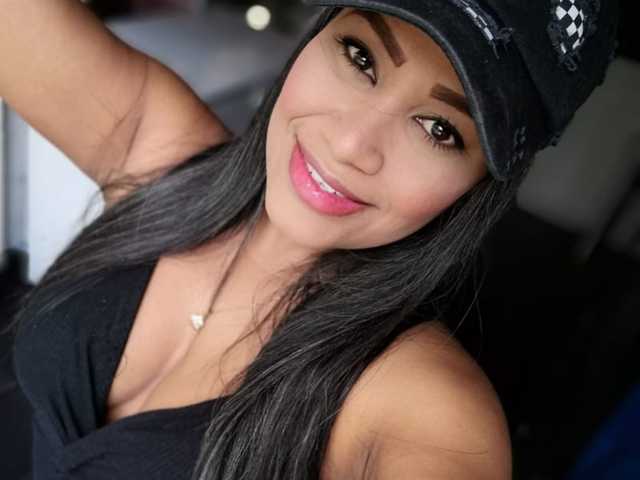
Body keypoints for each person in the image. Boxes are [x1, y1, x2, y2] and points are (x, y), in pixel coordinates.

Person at [1, 0, 619, 479]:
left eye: (438, 129)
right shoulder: (158, 152)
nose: (351, 145)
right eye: (359, 57)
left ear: (476, 187)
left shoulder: (423, 406)